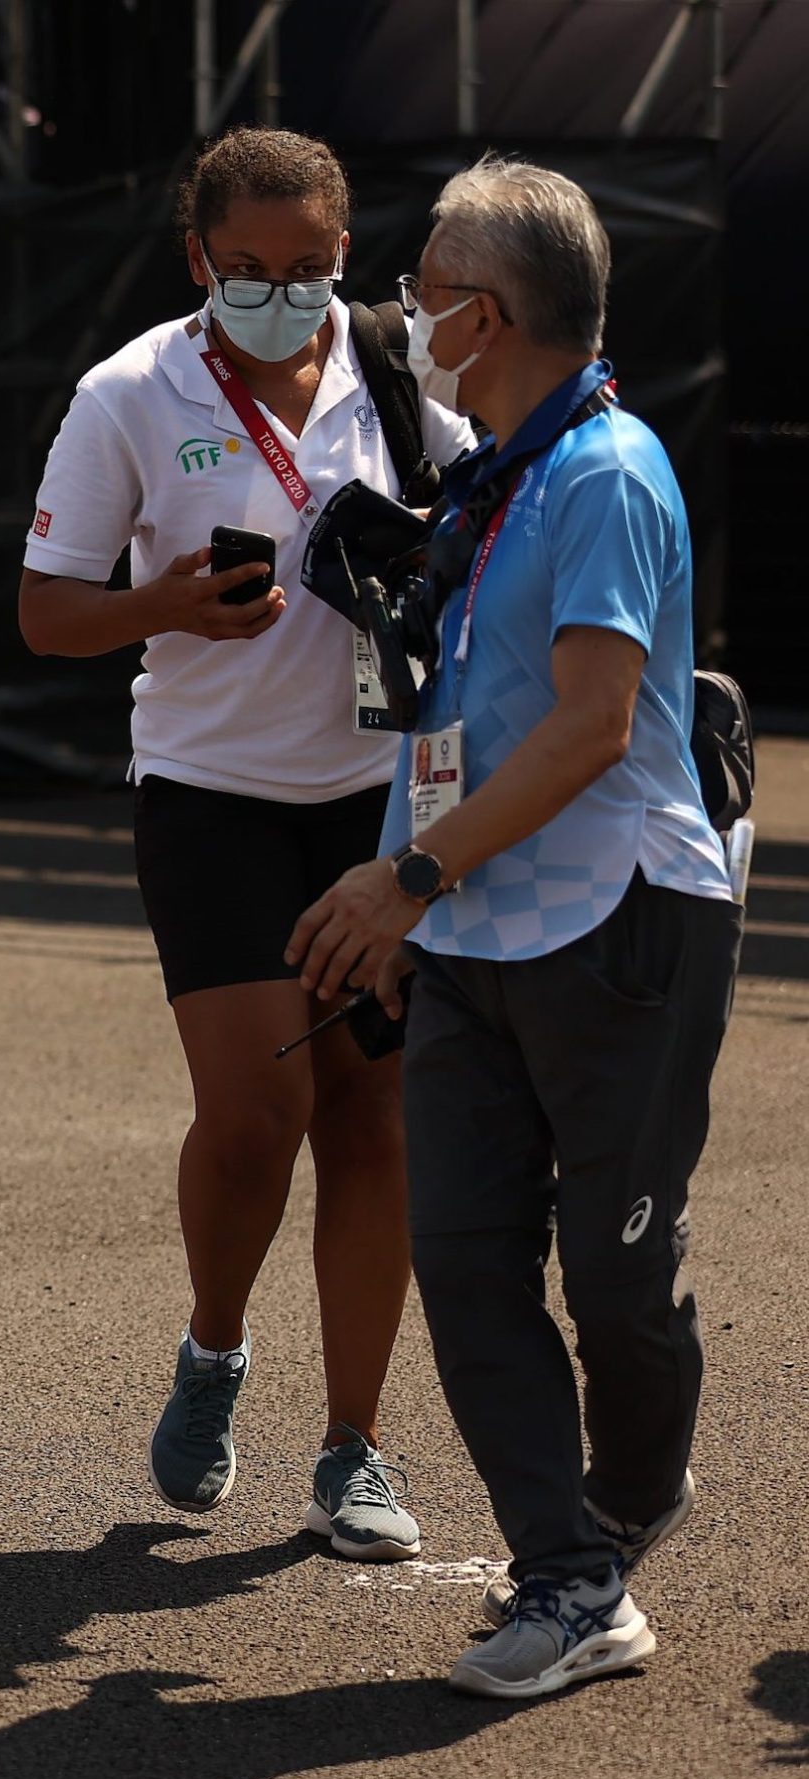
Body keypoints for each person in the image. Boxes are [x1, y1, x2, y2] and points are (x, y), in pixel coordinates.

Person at [288, 159, 739, 1699]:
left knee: (618, 1283)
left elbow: (595, 726)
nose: (404, 307)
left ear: (483, 313)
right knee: (468, 1256)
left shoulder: (605, 469)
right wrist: (404, 895)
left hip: (618, 917)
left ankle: (625, 1498)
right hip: (477, 930)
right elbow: (458, 727)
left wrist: (402, 883)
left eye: (425, 282)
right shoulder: (489, 478)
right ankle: (570, 1578)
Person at [18, 129, 473, 1559]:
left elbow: (486, 529)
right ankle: (214, 1347)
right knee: (258, 1109)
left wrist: (422, 568)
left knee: (375, 1116)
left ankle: (357, 1448)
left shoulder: (405, 375)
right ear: (197, 258)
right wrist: (164, 603)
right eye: (249, 270)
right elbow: (43, 611)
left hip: (380, 797)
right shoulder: (131, 392)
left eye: (310, 269)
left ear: (348, 256)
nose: (282, 294)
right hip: (210, 791)